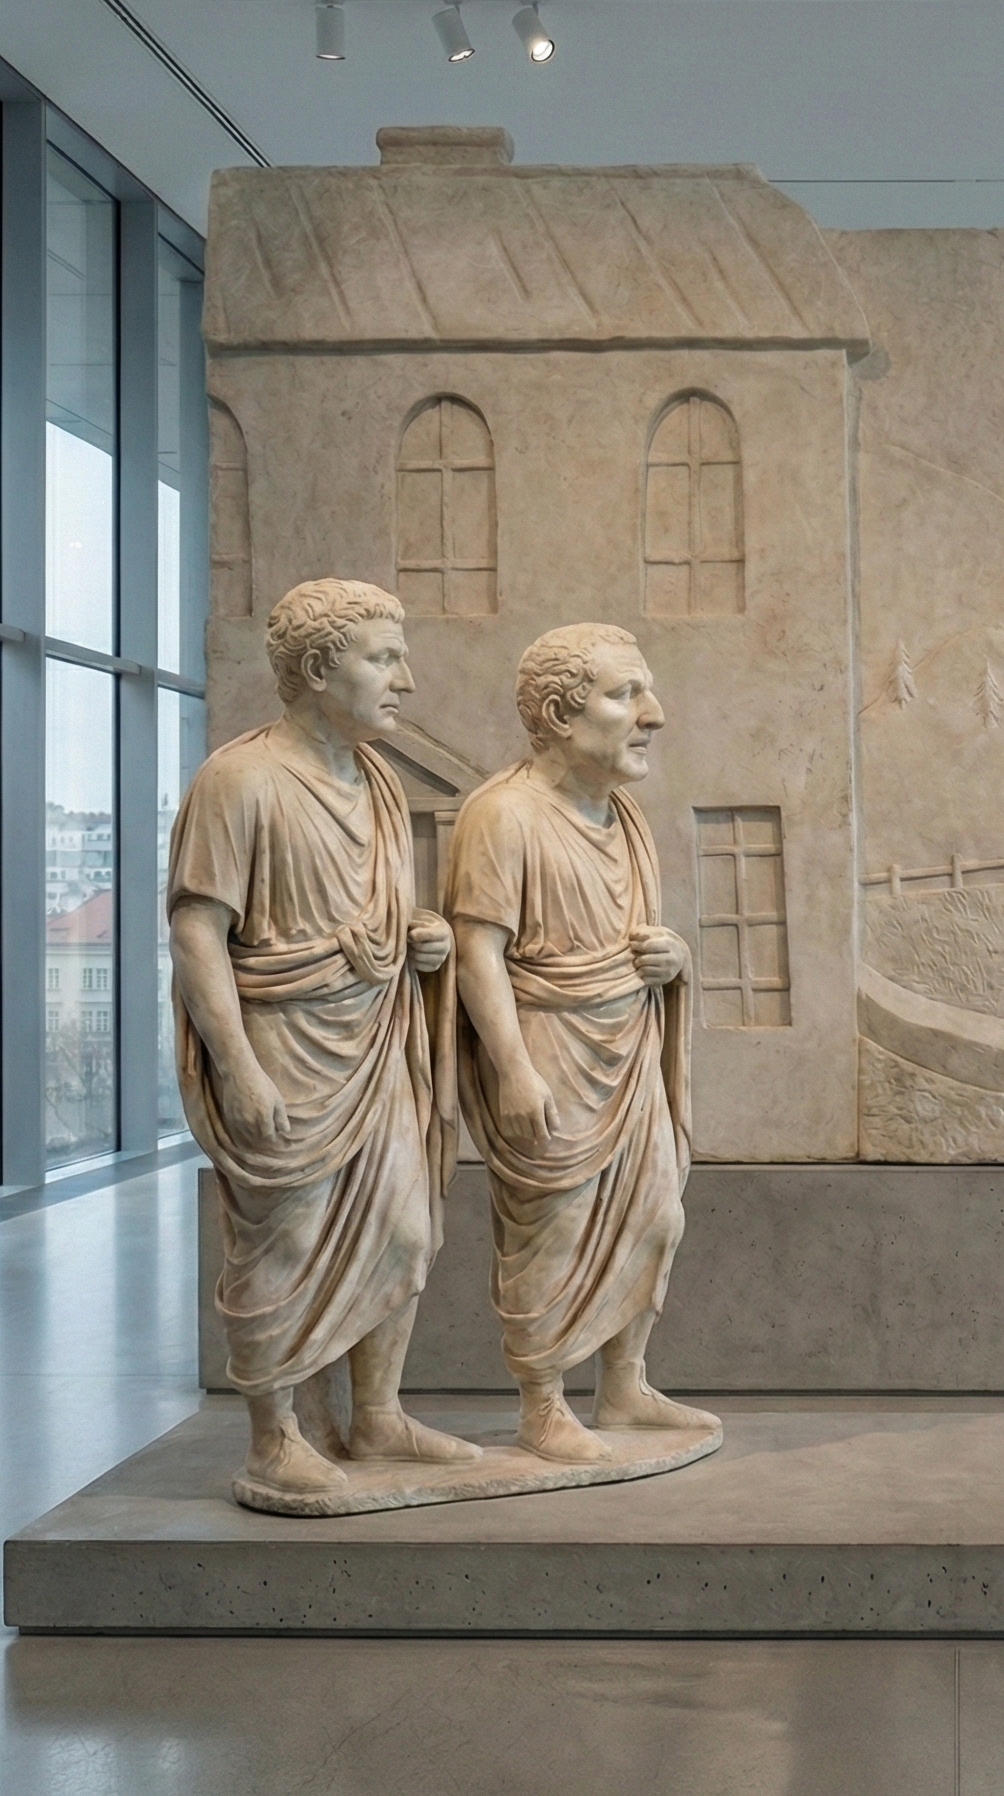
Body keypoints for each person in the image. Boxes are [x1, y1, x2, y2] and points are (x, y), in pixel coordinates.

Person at [169, 578, 475, 1500]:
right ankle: (274, 1438)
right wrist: (239, 1068)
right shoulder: (240, 779)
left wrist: (416, 937)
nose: (405, 681)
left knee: (405, 1231)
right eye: (384, 659)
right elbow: (197, 931)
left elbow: (370, 914)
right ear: (315, 669)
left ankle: (375, 1416)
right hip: (284, 1045)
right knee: (283, 1244)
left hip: (375, 1039)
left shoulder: (377, 781)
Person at [446, 623, 718, 1461]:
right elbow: (476, 951)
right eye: (625, 695)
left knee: (656, 1215)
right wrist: (512, 1069)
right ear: (562, 716)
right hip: (549, 1047)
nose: (653, 714)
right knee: (551, 1230)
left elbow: (636, 934)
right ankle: (543, 1403)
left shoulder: (623, 816)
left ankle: (624, 1386)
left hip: (627, 1045)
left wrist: (673, 958)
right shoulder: (502, 814)